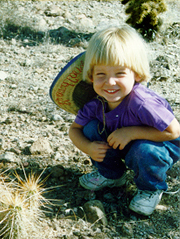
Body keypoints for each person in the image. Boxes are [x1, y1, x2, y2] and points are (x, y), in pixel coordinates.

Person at [68, 24, 180, 216]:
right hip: (122, 142)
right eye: (101, 74)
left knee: (144, 150)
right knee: (90, 129)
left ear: (136, 74)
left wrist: (132, 132)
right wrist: (87, 147)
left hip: (158, 144)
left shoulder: (142, 102)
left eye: (120, 73)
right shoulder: (95, 104)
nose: (110, 82)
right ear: (91, 76)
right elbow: (75, 130)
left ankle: (151, 188)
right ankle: (111, 175)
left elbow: (174, 131)